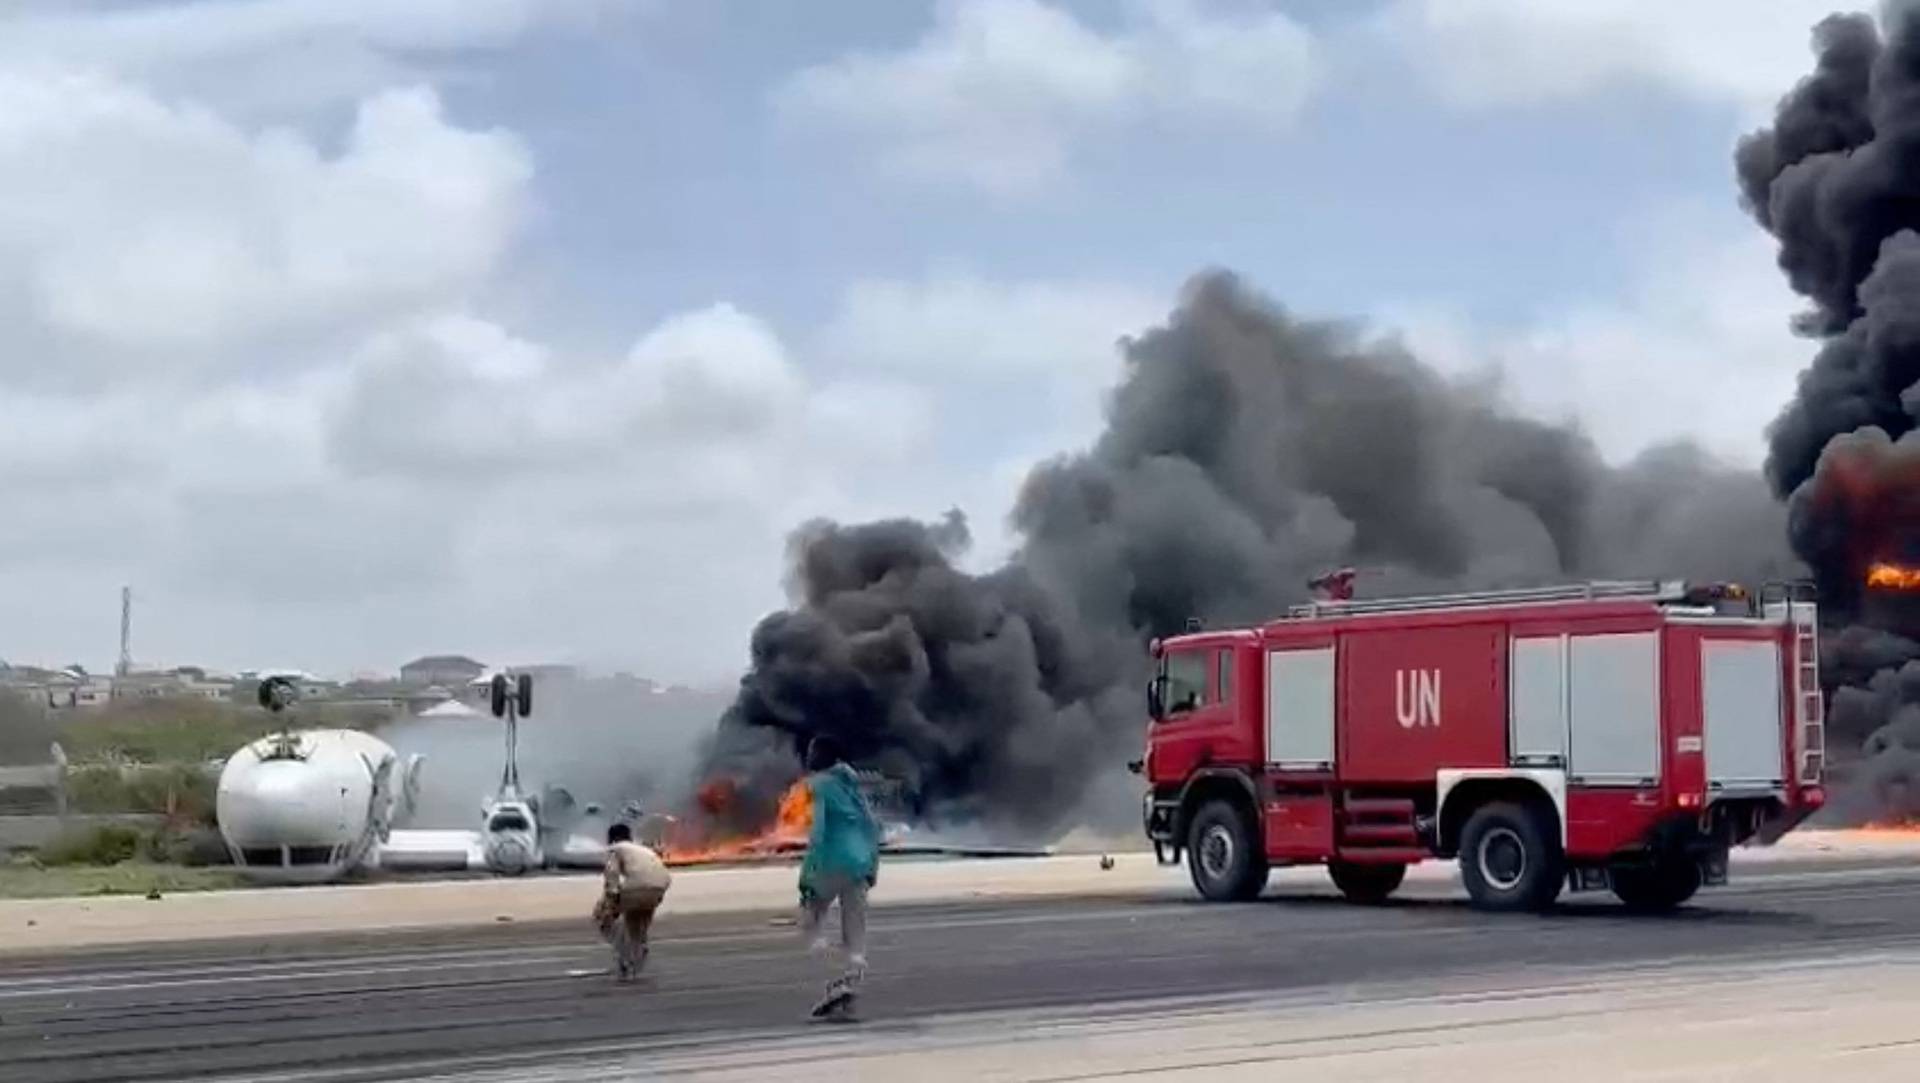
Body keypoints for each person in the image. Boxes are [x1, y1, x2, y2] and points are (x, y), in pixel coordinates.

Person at [796, 735, 881, 1019]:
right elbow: (871, 825)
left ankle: (835, 982)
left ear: (822, 757)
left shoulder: (818, 786)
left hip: (833, 859)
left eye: (812, 752)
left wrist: (807, 876)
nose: (808, 757)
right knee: (855, 929)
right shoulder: (853, 785)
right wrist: (872, 866)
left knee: (811, 923)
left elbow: (819, 833)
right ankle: (851, 979)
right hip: (860, 861)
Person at [600, 821, 672, 982]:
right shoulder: (644, 849)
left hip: (638, 886)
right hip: (660, 886)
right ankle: (638, 952)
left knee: (603, 918)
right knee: (638, 924)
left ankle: (624, 956)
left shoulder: (615, 849)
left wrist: (611, 900)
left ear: (612, 838)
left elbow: (611, 874)